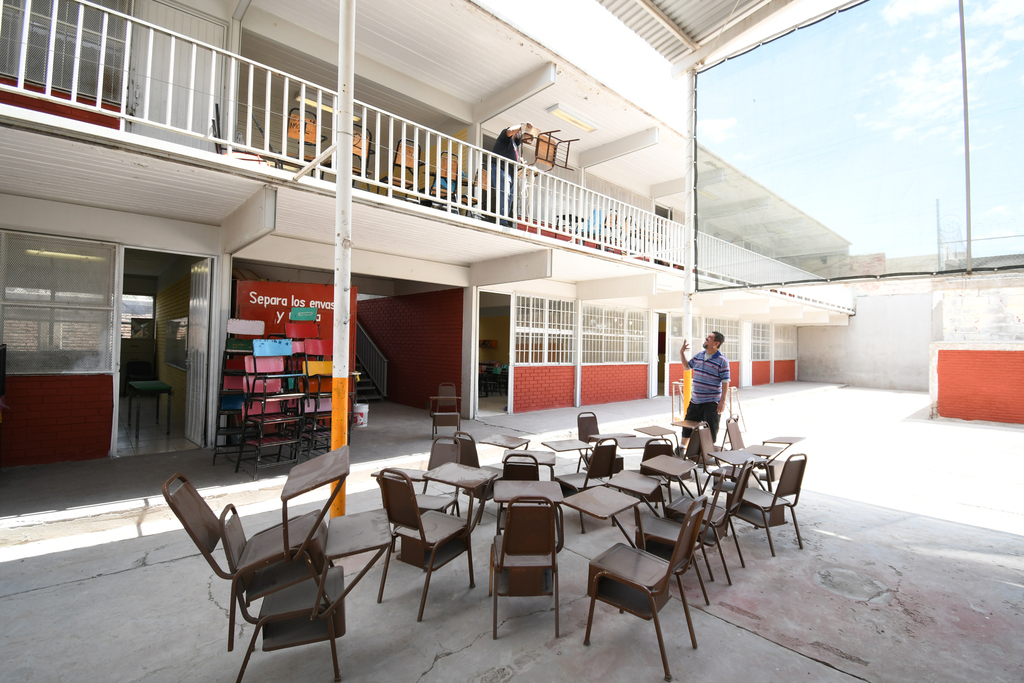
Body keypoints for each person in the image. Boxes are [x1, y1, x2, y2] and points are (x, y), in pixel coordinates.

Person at [679, 331, 731, 443]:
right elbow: (687, 367)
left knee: (710, 432)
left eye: (710, 337)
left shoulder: (722, 361)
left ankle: (708, 451)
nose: (706, 338)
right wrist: (682, 353)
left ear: (716, 343)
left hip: (711, 403)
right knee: (687, 427)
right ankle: (682, 449)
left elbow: (725, 382)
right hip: (695, 400)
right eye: (707, 336)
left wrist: (722, 401)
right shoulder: (699, 355)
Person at [489, 122, 534, 226]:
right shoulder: (505, 137)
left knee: (509, 197)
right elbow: (509, 131)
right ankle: (502, 220)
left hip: (511, 172)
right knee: (504, 194)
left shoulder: (514, 144)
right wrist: (522, 127)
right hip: (502, 169)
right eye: (519, 132)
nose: (520, 135)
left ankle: (504, 218)